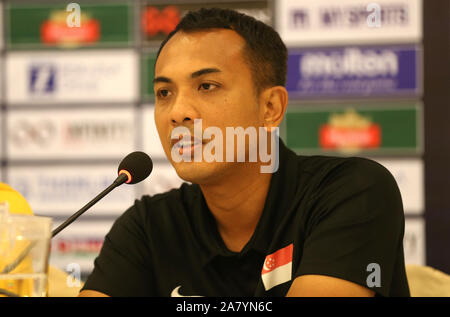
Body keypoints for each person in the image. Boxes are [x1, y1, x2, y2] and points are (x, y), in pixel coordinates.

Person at [79, 8, 410, 297]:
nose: (177, 112)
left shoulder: (354, 191)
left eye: (207, 86)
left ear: (270, 107)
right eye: (164, 92)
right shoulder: (149, 226)